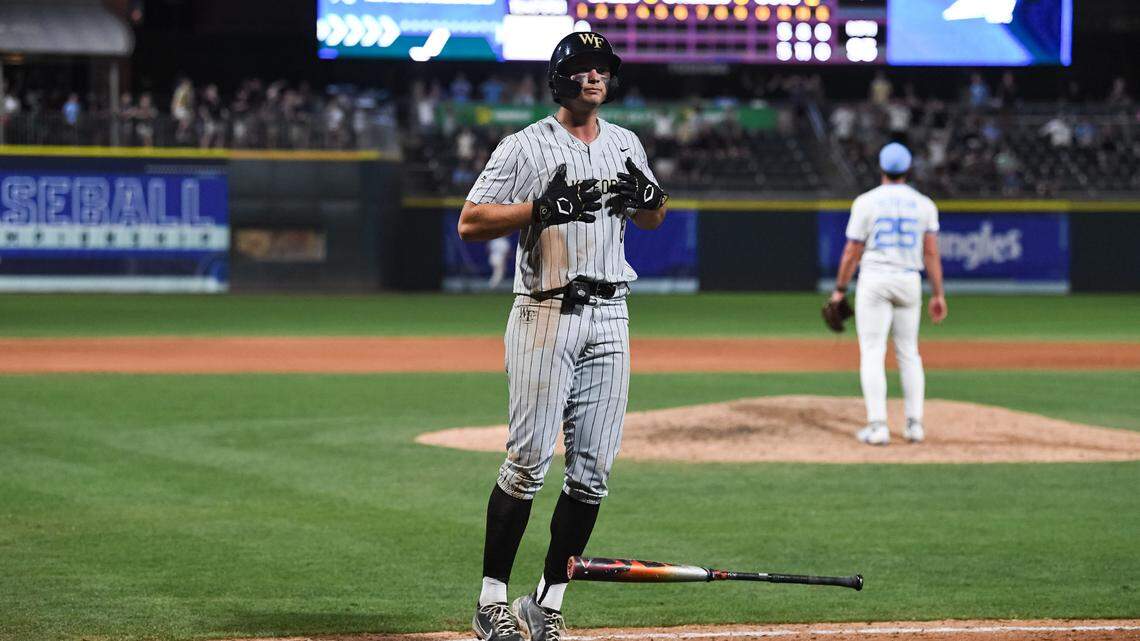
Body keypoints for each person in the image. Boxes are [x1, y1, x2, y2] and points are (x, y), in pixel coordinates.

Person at [457, 31, 668, 641]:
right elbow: (470, 222)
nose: (595, 77)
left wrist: (651, 199)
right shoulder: (525, 147)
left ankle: (546, 602)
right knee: (527, 466)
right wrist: (538, 209)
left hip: (612, 315)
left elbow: (651, 218)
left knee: (593, 471)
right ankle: (491, 600)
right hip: (546, 312)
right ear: (560, 80)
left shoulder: (626, 143)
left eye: (602, 68)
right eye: (583, 68)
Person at [829, 143, 946, 446]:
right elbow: (931, 252)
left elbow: (851, 251)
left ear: (880, 168)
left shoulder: (866, 202)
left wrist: (840, 290)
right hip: (909, 280)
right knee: (909, 353)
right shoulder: (924, 204)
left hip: (876, 280)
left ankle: (878, 426)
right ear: (908, 170)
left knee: (872, 352)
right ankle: (914, 425)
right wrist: (938, 294)